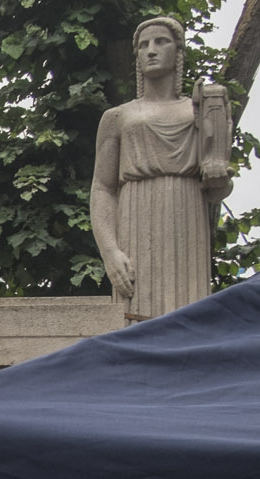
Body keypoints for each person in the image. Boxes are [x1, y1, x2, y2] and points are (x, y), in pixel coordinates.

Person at [90, 16, 232, 322]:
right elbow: (102, 188)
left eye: (160, 42)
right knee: (136, 317)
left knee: (191, 315)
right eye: (143, 45)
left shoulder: (202, 110)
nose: (150, 50)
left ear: (178, 51)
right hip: (135, 222)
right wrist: (110, 251)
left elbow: (217, 189)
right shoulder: (118, 116)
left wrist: (219, 173)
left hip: (187, 217)